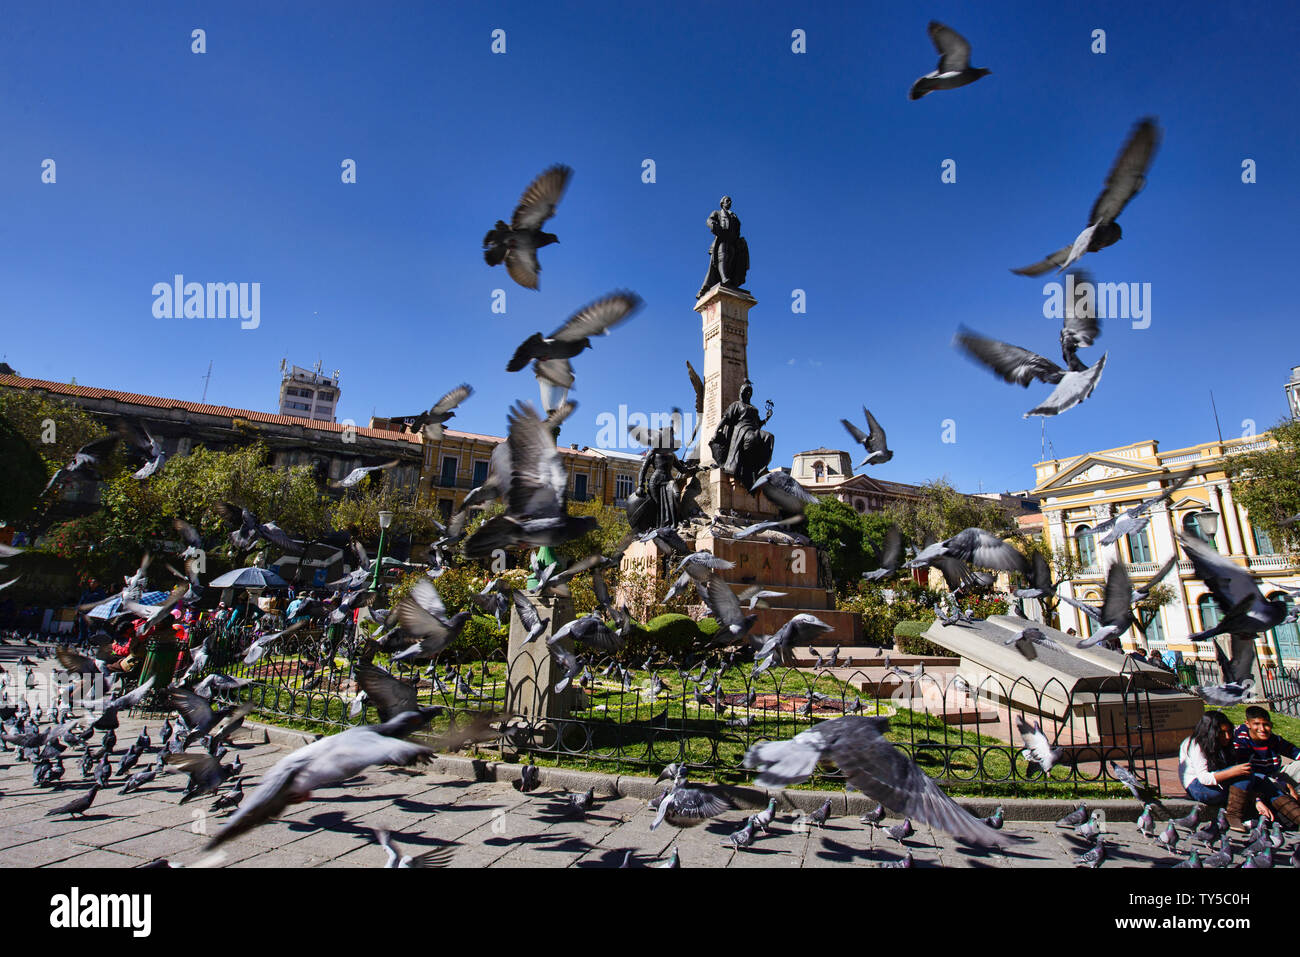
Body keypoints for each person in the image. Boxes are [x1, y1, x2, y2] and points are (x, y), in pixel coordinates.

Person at [1228, 705, 1300, 830]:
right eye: (1257, 724)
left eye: (1266, 724)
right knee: (1272, 783)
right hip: (1255, 781)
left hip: (1273, 775)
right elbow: (1245, 774)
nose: (1262, 729)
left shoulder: (1273, 739)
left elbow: (1294, 752)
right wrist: (1283, 784)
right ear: (1248, 724)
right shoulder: (1241, 742)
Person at [1178, 710, 1252, 808]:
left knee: (1253, 777)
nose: (1228, 736)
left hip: (1220, 781)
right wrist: (1233, 771)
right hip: (1197, 785)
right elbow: (1204, 778)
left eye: (1229, 731)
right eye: (1222, 733)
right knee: (1223, 793)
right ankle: (1235, 811)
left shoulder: (1223, 743)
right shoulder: (1195, 744)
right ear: (1211, 733)